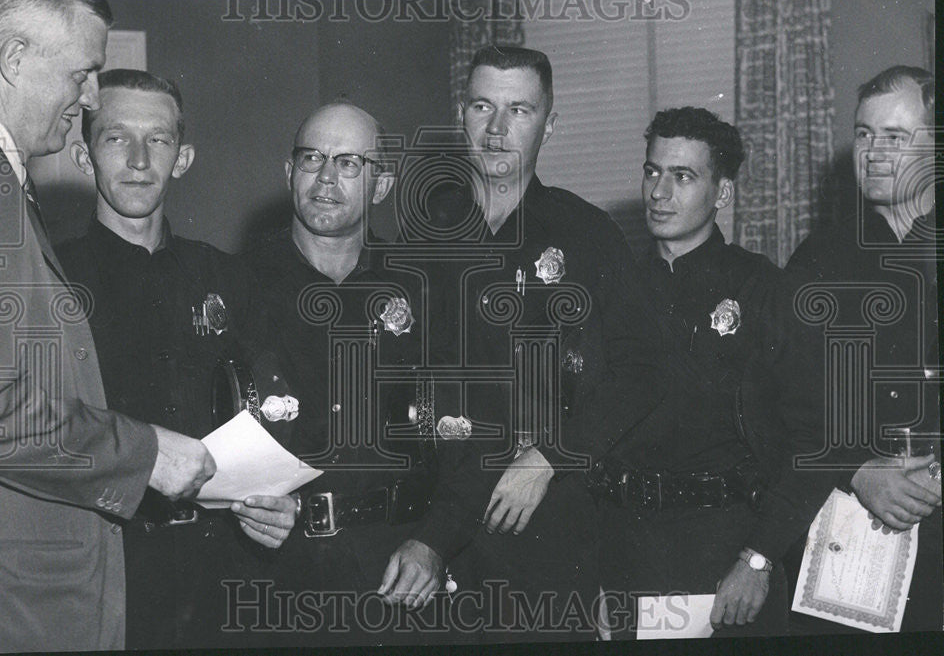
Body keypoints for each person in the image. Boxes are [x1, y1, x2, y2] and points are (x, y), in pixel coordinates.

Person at [0, 0, 213, 652]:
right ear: (14, 60)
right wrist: (145, 453)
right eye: (84, 73)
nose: (90, 95)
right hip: (14, 604)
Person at [415, 46, 661, 642]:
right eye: (483, 106)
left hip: (545, 519)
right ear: (461, 115)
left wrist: (552, 455)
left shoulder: (587, 234)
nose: (497, 130)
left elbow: (642, 370)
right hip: (437, 521)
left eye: (519, 110)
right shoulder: (424, 232)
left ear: (550, 124)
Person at [54, 69, 299, 649]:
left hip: (216, 573)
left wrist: (280, 501)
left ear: (183, 158)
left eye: (158, 140)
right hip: (101, 566)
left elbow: (276, 411)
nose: (139, 159)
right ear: (85, 157)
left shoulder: (227, 277)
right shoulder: (53, 279)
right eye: (116, 138)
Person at [589, 107, 830, 638]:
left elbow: (815, 438)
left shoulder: (762, 289)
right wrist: (598, 575)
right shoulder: (616, 290)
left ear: (721, 192)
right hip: (629, 548)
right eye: (653, 171)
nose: (659, 192)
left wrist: (760, 558)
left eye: (683, 176)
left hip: (728, 554)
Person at [244, 102, 478, 645]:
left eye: (350, 163)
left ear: (381, 185)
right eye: (313, 159)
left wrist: (437, 543)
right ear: (288, 172)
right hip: (280, 579)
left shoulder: (425, 293)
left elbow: (473, 435)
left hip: (402, 569)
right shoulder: (237, 285)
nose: (327, 178)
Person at [786, 65, 942, 633]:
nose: (874, 151)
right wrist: (855, 469)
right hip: (857, 524)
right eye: (863, 133)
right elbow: (782, 396)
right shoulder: (819, 259)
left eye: (896, 137)